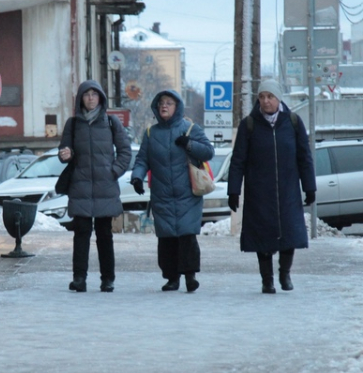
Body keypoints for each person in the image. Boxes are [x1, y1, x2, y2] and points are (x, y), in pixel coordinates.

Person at [226, 80, 316, 294]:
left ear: (279, 99)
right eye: (262, 97)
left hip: (288, 191)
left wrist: (309, 186)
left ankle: (285, 273)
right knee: (262, 237)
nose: (266, 101)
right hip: (260, 193)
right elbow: (238, 160)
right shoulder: (249, 125)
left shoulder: (293, 122)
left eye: (270, 97)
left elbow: (305, 157)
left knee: (289, 234)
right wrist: (233, 191)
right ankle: (267, 280)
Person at [129, 90, 214, 292]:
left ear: (177, 107)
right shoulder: (151, 133)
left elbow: (208, 151)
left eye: (168, 103)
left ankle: (190, 276)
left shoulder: (191, 128)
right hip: (162, 194)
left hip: (188, 193)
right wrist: (137, 177)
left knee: (187, 235)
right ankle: (171, 278)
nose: (164, 106)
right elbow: (142, 159)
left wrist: (189, 144)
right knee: (167, 238)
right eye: (161, 104)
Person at [58, 80, 131, 293]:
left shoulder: (110, 123)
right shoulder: (72, 124)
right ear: (81, 98)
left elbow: (125, 152)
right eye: (86, 94)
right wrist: (65, 154)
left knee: (104, 234)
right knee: (80, 234)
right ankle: (79, 278)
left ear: (101, 98)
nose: (90, 98)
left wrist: (114, 172)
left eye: (94, 94)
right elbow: (64, 151)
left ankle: (107, 279)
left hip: (104, 187)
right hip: (80, 187)